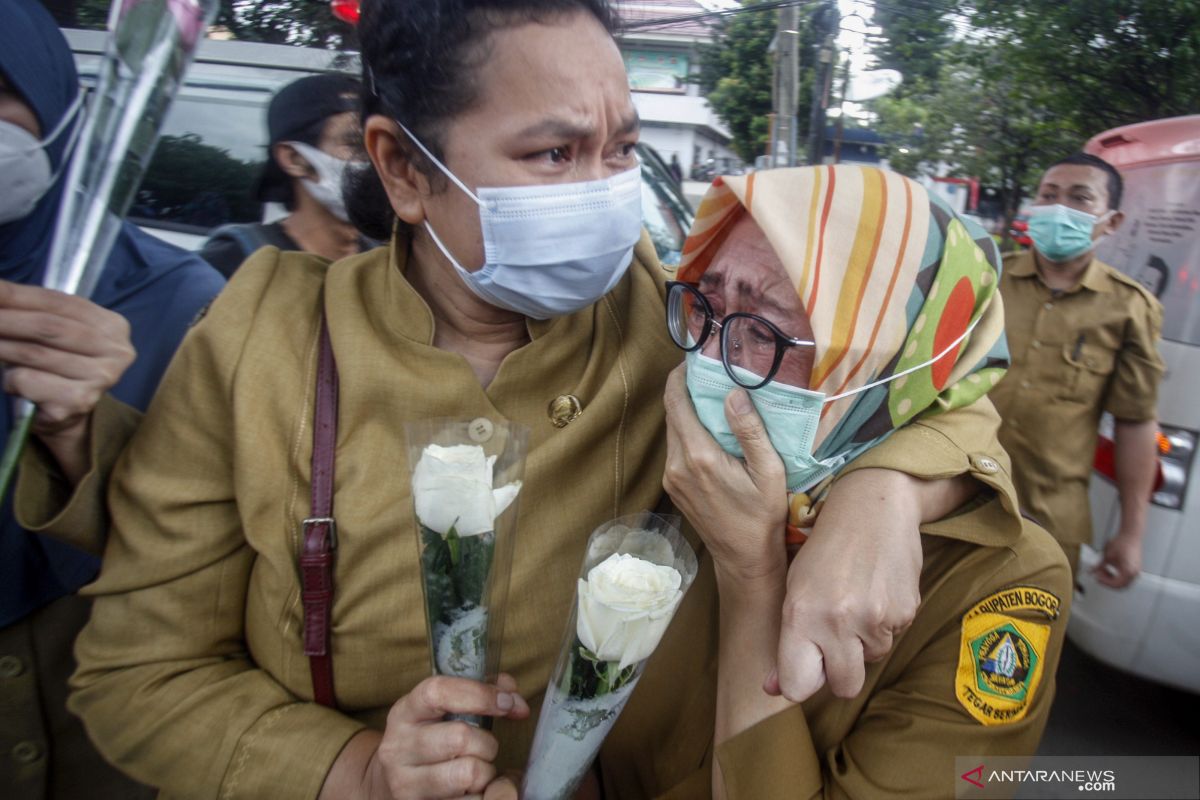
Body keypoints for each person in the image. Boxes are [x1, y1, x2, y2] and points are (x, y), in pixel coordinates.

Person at [39, 3, 1021, 797]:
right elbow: (139, 672)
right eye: (553, 155)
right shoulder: (262, 337)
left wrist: (888, 488)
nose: (604, 193)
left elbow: (915, 364)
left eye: (623, 149)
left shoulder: (671, 310)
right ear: (403, 168)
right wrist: (353, 771)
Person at [600, 166, 1070, 799]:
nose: (713, 358)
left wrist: (752, 576)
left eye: (764, 328)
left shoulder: (1001, 578)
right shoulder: (687, 456)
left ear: (886, 359)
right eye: (707, 303)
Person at [0, 3, 225, 798]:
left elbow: (214, 549)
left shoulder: (175, 299)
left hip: (102, 698)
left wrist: (74, 430)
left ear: (60, 107)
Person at [989, 153, 1165, 586]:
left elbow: (1135, 422)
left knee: (1013, 648)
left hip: (1046, 520)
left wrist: (1131, 532)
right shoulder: (988, 278)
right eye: (1049, 195)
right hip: (949, 494)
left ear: (1112, 220)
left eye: (1079, 197)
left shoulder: (1129, 308)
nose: (1059, 208)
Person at [197, 73, 373, 278]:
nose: (378, 162)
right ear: (295, 159)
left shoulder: (384, 266)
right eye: (355, 145)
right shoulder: (229, 266)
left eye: (380, 146)